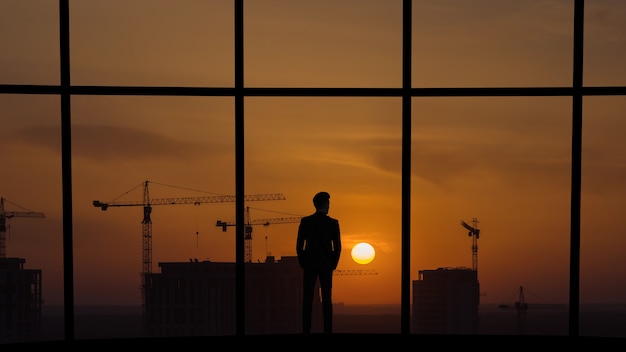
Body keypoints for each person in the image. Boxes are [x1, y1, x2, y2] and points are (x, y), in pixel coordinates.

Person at [296, 191, 342, 334]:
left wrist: (303, 263)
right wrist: (332, 264)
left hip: (309, 265)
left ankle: (306, 331)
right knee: (327, 299)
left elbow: (299, 246)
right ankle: (327, 331)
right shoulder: (332, 223)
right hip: (326, 266)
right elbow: (338, 248)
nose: (329, 206)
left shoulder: (306, 222)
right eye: (328, 203)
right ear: (323, 204)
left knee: (307, 299)